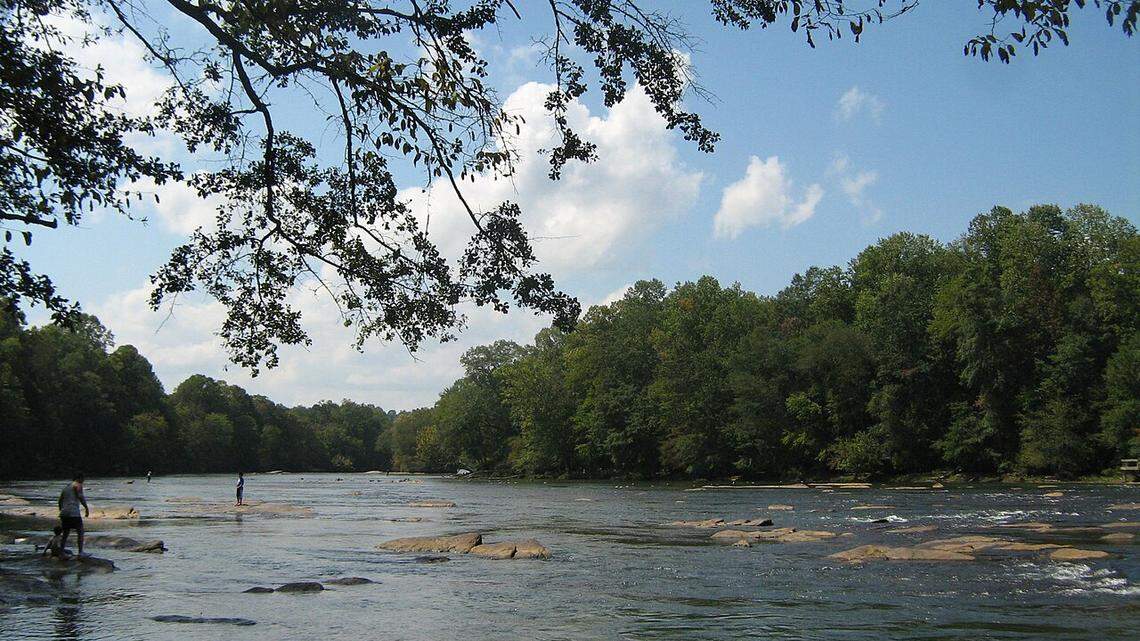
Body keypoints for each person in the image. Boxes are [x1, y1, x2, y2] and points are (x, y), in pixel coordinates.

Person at [58, 473, 89, 557]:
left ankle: (61, 552)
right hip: (73, 512)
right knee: (80, 531)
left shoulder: (66, 487)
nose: (83, 481)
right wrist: (86, 508)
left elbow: (60, 500)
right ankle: (80, 552)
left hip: (64, 512)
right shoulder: (78, 485)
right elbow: (80, 497)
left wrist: (61, 510)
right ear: (79, 478)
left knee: (65, 533)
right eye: (83, 479)